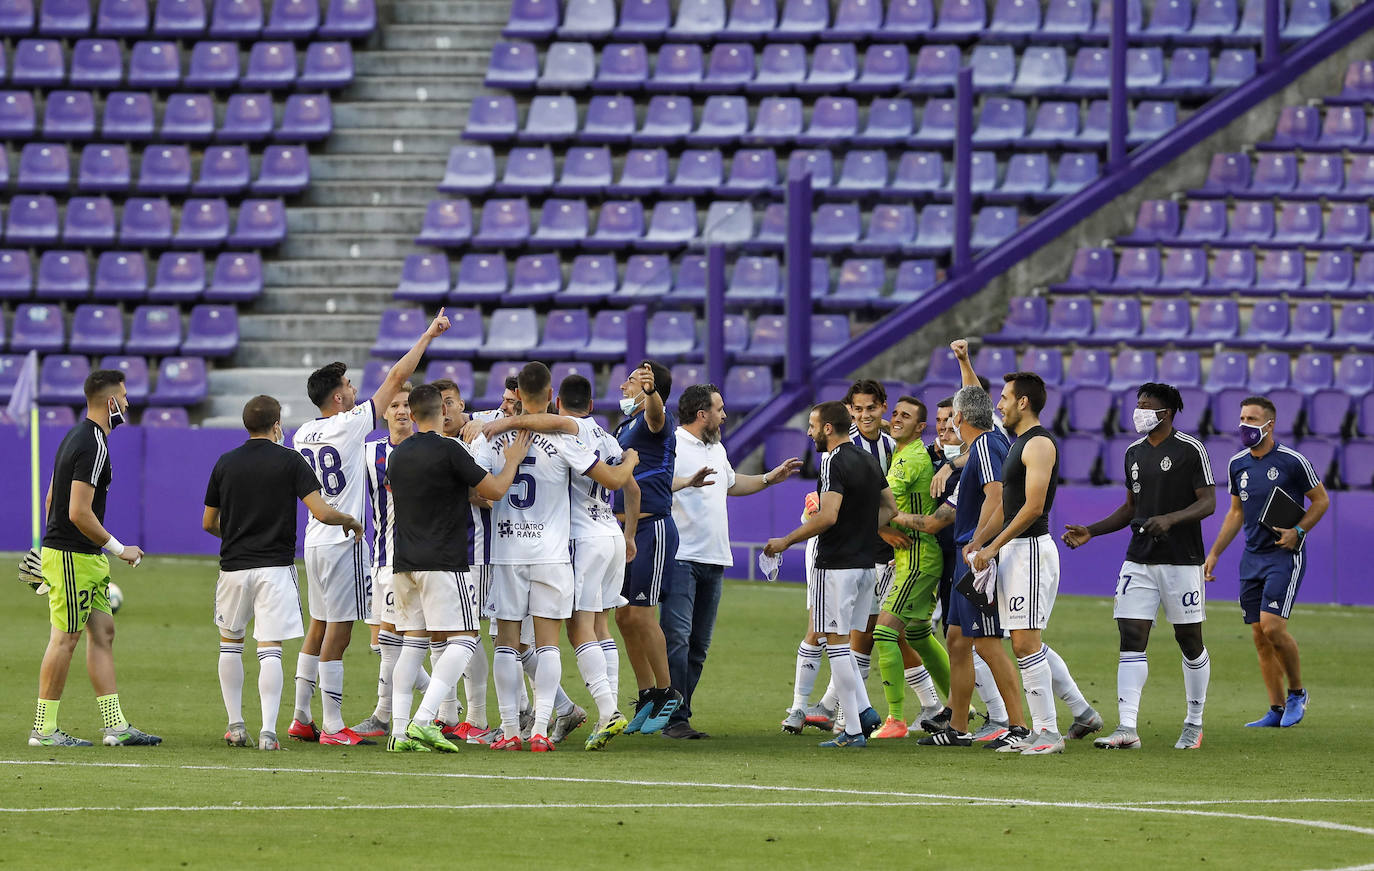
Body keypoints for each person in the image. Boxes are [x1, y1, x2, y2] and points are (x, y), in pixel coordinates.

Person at [288, 309, 449, 746]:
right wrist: (427, 336)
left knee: (317, 626)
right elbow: (398, 376)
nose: (355, 392)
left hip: (313, 539)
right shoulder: (352, 423)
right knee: (338, 632)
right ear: (338, 399)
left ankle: (302, 717)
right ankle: (335, 726)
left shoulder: (301, 433)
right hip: (343, 540)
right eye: (349, 387)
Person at [479, 362, 640, 751]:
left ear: (515, 397)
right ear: (550, 395)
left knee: (507, 642)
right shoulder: (567, 439)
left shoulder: (489, 440)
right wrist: (632, 461)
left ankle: (511, 732)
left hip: (507, 551)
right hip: (554, 552)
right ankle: (540, 731)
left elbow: (477, 491)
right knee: (555, 641)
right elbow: (614, 480)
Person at [203, 395, 364, 751]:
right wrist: (349, 520)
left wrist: (234, 536)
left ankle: (235, 726)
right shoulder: (290, 461)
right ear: (276, 425)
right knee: (269, 649)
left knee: (230, 645)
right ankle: (268, 732)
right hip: (274, 568)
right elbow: (321, 512)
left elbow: (208, 522)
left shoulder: (224, 463)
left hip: (233, 567)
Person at [1062, 383, 1216, 750]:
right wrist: (1092, 531)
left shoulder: (1191, 449)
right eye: (1138, 405)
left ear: (1167, 413)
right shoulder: (1133, 453)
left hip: (1182, 560)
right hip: (1140, 558)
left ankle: (1194, 722)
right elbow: (1131, 506)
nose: (1139, 411)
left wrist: (1171, 519)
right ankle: (1127, 728)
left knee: (1189, 640)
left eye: (1147, 406)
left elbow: (1209, 502)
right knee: (1131, 637)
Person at [383, 383, 530, 752]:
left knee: (414, 645)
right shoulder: (453, 450)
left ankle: (399, 732)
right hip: (444, 561)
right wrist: (512, 459)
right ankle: (423, 720)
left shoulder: (396, 456)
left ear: (413, 416)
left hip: (403, 563)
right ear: (441, 412)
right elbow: (494, 490)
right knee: (465, 640)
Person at [28, 369, 158, 748]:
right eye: (125, 396)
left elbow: (53, 498)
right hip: (74, 557)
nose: (128, 403)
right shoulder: (94, 444)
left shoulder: (75, 436)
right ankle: (44, 730)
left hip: (75, 556)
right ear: (110, 401)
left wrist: (46, 551)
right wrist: (120, 549)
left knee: (103, 632)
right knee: (64, 640)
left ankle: (115, 726)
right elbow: (77, 512)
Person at [972, 372, 1098, 755]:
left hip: (1030, 550)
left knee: (1026, 643)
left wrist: (995, 546)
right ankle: (1065, 718)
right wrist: (980, 542)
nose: (1000, 404)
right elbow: (1008, 505)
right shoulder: (1017, 443)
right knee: (1025, 642)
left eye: (1006, 397)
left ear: (1023, 402)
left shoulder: (1040, 444)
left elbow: (1033, 507)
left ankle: (1047, 732)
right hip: (1014, 550)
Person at [667, 384, 801, 739]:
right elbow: (654, 483)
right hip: (681, 556)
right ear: (702, 414)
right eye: (719, 409)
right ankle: (673, 716)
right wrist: (686, 482)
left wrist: (772, 477)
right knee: (677, 639)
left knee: (698, 646)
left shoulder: (717, 448)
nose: (724, 416)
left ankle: (680, 713)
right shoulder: (672, 445)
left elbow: (731, 483)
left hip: (714, 557)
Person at [893, 385, 1023, 747]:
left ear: (960, 417)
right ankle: (959, 726)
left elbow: (998, 498)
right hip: (968, 551)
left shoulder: (983, 446)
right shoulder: (986, 444)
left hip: (974, 555)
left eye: (951, 417)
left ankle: (1017, 726)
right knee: (956, 639)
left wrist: (979, 544)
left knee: (987, 643)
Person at [765, 401, 898, 748]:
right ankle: (865, 711)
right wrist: (865, 531)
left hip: (835, 564)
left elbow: (827, 516)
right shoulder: (869, 459)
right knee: (845, 642)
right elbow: (891, 507)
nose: (809, 433)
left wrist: (786, 540)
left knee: (833, 641)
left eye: (812, 426)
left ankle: (852, 729)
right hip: (865, 565)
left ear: (827, 428)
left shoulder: (832, 462)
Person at [1204, 396, 1328, 728]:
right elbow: (1235, 512)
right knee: (1259, 634)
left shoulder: (1292, 461)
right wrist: (1214, 554)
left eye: (1252, 419)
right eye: (1242, 417)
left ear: (1269, 424)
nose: (1245, 424)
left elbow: (1321, 500)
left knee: (1273, 626)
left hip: (1283, 555)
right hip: (1252, 557)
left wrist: (1298, 531)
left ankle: (1297, 693)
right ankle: (1274, 709)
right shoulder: (1237, 464)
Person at [348, 384, 441, 741]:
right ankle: (434, 707)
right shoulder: (368, 454)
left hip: (416, 560)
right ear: (384, 412)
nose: (401, 411)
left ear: (416, 413)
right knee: (385, 643)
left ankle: (390, 714)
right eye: (395, 405)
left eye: (407, 405)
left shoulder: (431, 450)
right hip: (383, 559)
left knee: (408, 640)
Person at [869, 396, 947, 739]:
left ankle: (896, 720)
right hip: (916, 556)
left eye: (906, 417)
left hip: (917, 557)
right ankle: (960, 708)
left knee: (885, 632)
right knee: (917, 633)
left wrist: (882, 526)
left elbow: (880, 503)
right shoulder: (910, 451)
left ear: (921, 428)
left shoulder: (907, 461)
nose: (897, 419)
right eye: (895, 414)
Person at [613, 361, 683, 734]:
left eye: (634, 381)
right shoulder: (625, 424)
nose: (624, 385)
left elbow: (656, 416)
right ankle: (647, 694)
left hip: (651, 528)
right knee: (624, 616)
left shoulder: (656, 419)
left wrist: (652, 392)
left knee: (641, 614)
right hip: (624, 529)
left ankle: (668, 691)